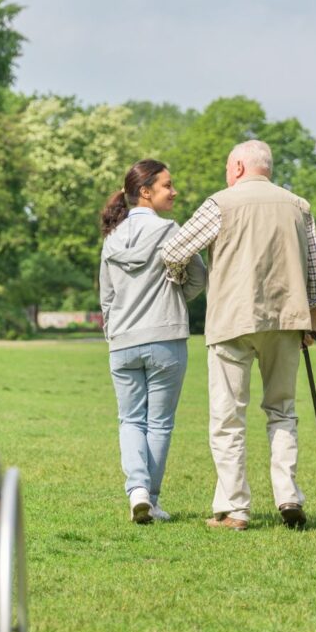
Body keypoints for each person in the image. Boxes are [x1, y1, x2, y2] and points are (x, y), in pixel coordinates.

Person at [161, 140, 316, 531]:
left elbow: (174, 251)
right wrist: (313, 320)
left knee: (227, 417)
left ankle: (235, 509)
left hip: (232, 320)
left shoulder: (221, 202)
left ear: (237, 167)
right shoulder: (298, 205)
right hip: (288, 321)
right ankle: (287, 495)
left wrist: (182, 283)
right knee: (282, 411)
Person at [100, 159, 206, 524]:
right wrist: (176, 296)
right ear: (145, 192)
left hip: (122, 341)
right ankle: (152, 500)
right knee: (159, 423)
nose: (174, 191)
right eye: (167, 186)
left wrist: (114, 335)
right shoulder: (171, 231)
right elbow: (197, 279)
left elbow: (107, 297)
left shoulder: (112, 238)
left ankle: (137, 492)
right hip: (166, 337)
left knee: (130, 420)